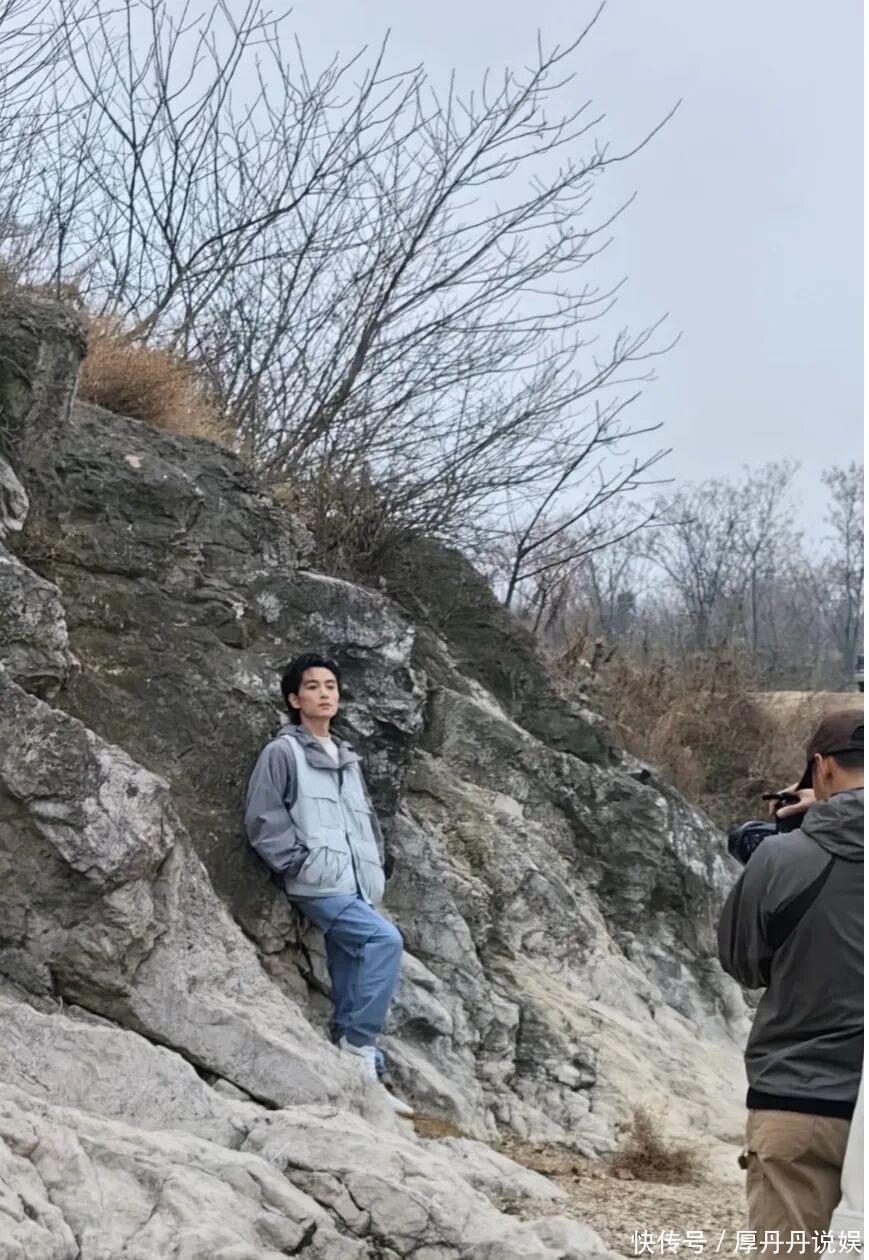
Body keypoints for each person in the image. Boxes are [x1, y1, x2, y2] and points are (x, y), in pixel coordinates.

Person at [245, 651, 414, 1117]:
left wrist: (374, 865)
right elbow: (263, 816)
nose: (324, 694)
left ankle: (355, 1066)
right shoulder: (283, 752)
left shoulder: (348, 757)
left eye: (331, 686)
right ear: (294, 699)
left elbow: (366, 822)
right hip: (317, 883)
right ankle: (360, 1049)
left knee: (353, 966)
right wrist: (297, 863)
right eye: (313, 686)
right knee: (384, 942)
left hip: (356, 882)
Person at [719, 709, 864, 1247]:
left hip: (799, 1101)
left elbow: (743, 963)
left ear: (821, 767)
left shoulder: (781, 856)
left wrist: (802, 832)